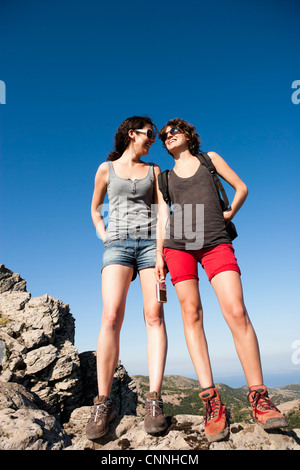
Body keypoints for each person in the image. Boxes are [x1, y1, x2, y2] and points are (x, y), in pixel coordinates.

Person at [155, 118, 288, 443]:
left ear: (188, 135)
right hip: (179, 242)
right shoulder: (164, 177)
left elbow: (241, 188)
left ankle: (259, 397)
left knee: (236, 311)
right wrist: (159, 257)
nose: (168, 136)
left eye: (174, 131)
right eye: (163, 135)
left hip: (215, 239)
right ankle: (212, 402)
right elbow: (162, 216)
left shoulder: (209, 159)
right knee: (191, 314)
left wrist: (230, 213)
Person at [86, 116, 168, 440]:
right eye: (148, 134)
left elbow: (164, 212)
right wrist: (104, 234)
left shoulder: (154, 171)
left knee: (154, 315)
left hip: (150, 247)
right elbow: (94, 209)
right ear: (131, 133)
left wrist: (161, 252)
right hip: (117, 245)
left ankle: (154, 402)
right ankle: (102, 403)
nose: (152, 139)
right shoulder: (105, 170)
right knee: (110, 317)